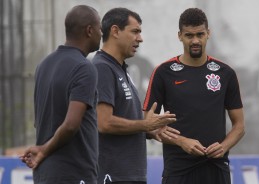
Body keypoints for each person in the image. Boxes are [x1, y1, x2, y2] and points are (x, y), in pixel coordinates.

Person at [143, 8, 245, 184]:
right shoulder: (163, 72)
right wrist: (181, 141)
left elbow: (239, 126)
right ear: (180, 36)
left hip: (216, 169)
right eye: (189, 35)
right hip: (178, 171)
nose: (195, 40)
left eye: (200, 34)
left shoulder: (225, 73)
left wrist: (224, 146)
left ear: (208, 34)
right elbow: (147, 123)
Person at [92, 7, 177, 184]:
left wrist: (151, 130)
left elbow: (126, 118)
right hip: (113, 176)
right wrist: (145, 124)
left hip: (130, 176)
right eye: (135, 31)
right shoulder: (102, 67)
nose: (140, 38)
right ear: (115, 31)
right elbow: (104, 122)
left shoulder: (121, 69)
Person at [20, 5, 101, 184]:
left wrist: (43, 151)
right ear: (89, 30)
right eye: (99, 29)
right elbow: (71, 124)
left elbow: (39, 120)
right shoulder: (84, 67)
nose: (101, 34)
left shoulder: (43, 65)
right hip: (73, 173)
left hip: (45, 174)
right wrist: (44, 150)